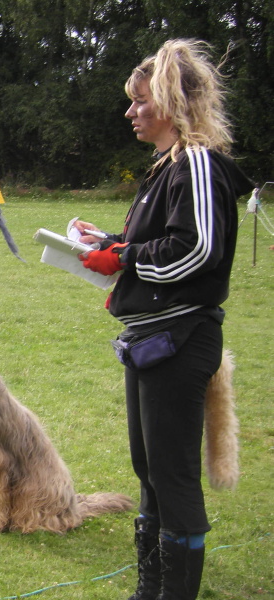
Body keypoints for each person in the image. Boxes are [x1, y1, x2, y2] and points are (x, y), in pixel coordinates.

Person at [74, 39, 254, 600]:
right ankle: (148, 592)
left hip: (180, 339)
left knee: (173, 478)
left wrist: (123, 256)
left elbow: (195, 250)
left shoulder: (196, 162)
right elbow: (154, 243)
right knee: (149, 471)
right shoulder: (168, 168)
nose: (129, 112)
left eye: (139, 101)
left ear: (172, 103)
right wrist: (106, 243)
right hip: (152, 339)